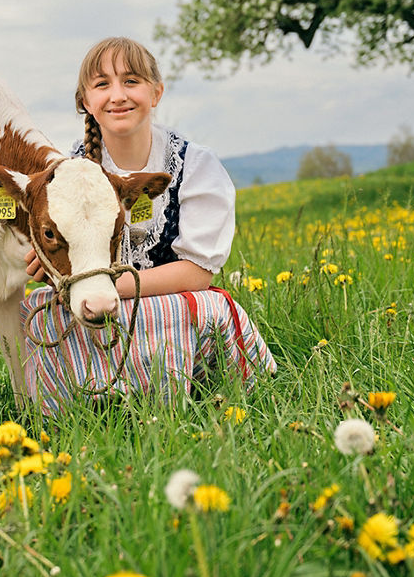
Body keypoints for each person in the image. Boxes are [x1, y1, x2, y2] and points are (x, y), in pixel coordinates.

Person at [21, 37, 275, 412]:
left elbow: (197, 274)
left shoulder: (195, 165)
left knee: (207, 307)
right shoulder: (64, 175)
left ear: (156, 93)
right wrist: (57, 271)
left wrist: (100, 287)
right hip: (95, 312)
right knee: (37, 308)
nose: (118, 95)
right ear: (84, 102)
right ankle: (78, 412)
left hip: (169, 312)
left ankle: (174, 397)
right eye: (102, 84)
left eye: (132, 81)